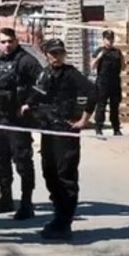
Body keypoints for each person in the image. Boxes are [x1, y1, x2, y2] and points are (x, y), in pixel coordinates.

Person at [22, 38, 97, 241]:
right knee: (50, 173)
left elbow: (92, 92)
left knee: (66, 176)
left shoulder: (70, 73)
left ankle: (65, 222)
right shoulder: (45, 73)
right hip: (48, 129)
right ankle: (58, 217)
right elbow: (37, 92)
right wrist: (28, 105)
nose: (57, 57)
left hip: (65, 130)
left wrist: (83, 120)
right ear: (46, 55)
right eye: (53, 53)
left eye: (60, 53)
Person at [0, 27, 42, 220]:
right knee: (1, 160)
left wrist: (29, 103)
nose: (7, 45)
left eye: (10, 41)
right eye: (3, 42)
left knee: (23, 162)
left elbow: (43, 84)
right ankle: (5, 198)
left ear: (16, 41)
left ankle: (27, 204)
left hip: (18, 120)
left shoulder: (26, 61)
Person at [91, 29, 126, 136]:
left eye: (111, 38)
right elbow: (92, 66)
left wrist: (121, 58)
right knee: (101, 105)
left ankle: (116, 129)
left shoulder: (117, 52)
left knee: (115, 106)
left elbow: (124, 67)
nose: (110, 41)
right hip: (103, 82)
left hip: (115, 81)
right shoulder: (99, 51)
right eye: (108, 39)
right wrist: (99, 57)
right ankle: (98, 128)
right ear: (103, 39)